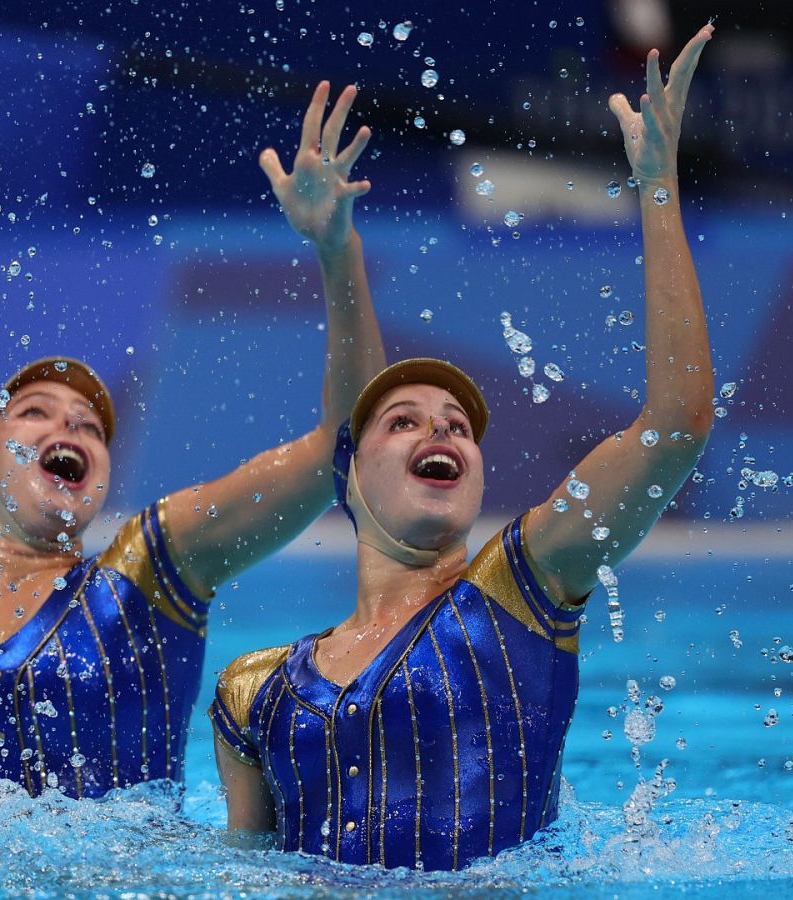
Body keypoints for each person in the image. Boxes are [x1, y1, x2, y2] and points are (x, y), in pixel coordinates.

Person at [209, 25, 718, 870]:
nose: (442, 428)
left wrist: (658, 188)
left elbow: (675, 428)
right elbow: (243, 874)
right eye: (402, 421)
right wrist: (338, 248)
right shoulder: (252, 693)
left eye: (458, 424)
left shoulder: (523, 590)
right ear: (349, 476)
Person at [0, 82, 390, 828]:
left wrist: (335, 250)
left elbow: (348, 449)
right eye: (35, 414)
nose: (73, 431)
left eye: (91, 427)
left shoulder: (150, 578)